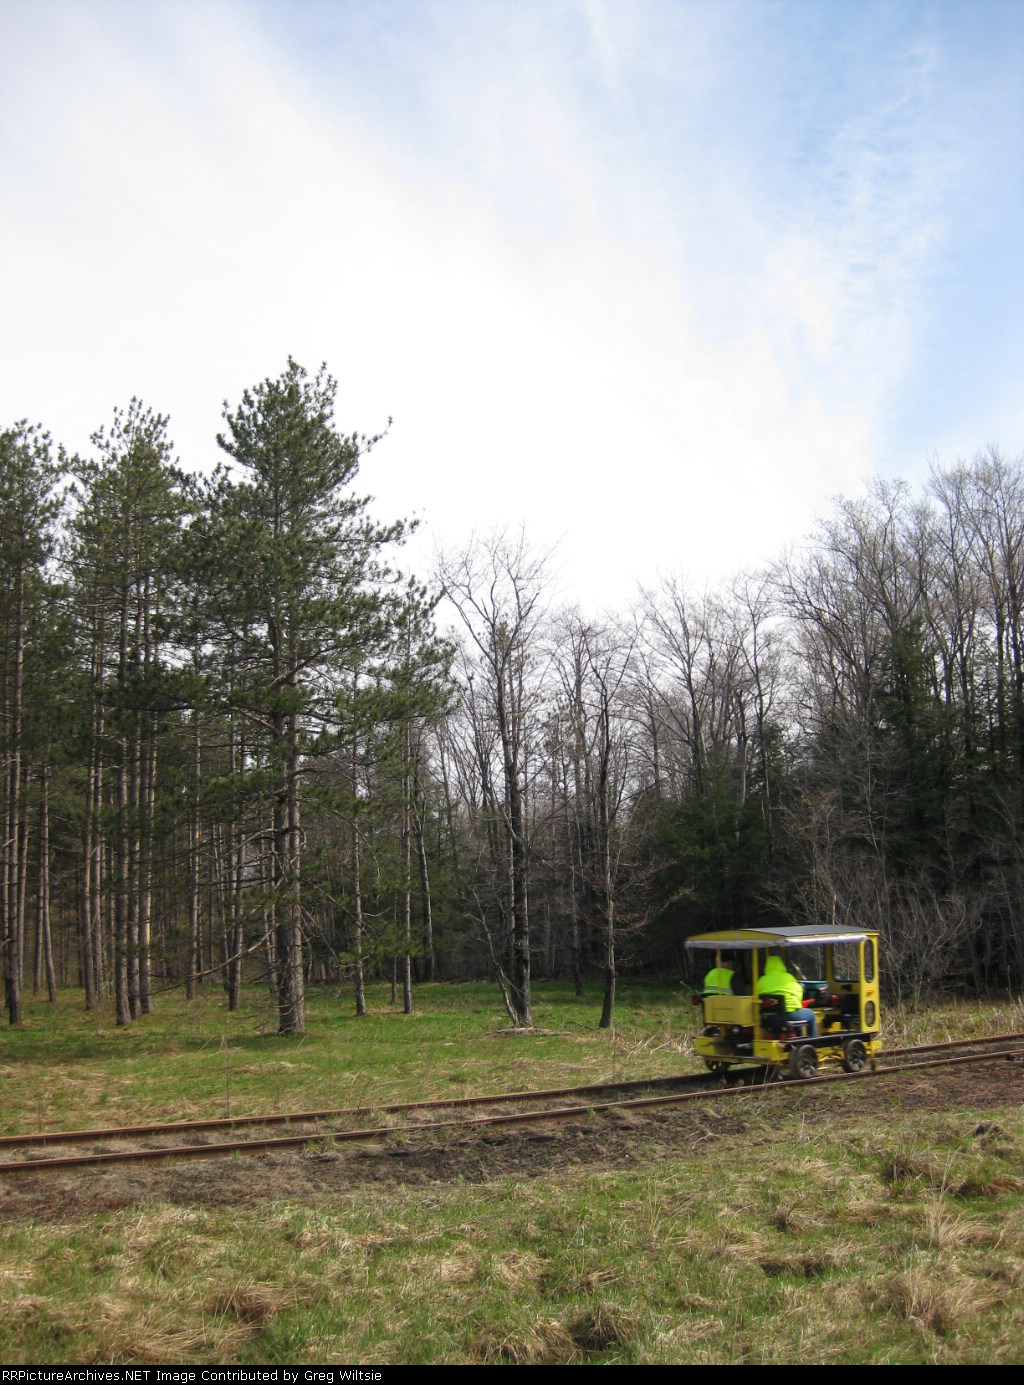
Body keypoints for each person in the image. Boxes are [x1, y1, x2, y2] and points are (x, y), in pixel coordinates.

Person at [757, 953, 818, 1037]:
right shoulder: (788, 977)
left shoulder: (761, 980)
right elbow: (799, 994)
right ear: (781, 965)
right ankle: (814, 1041)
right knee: (811, 1014)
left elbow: (757, 996)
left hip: (770, 1018)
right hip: (790, 1014)